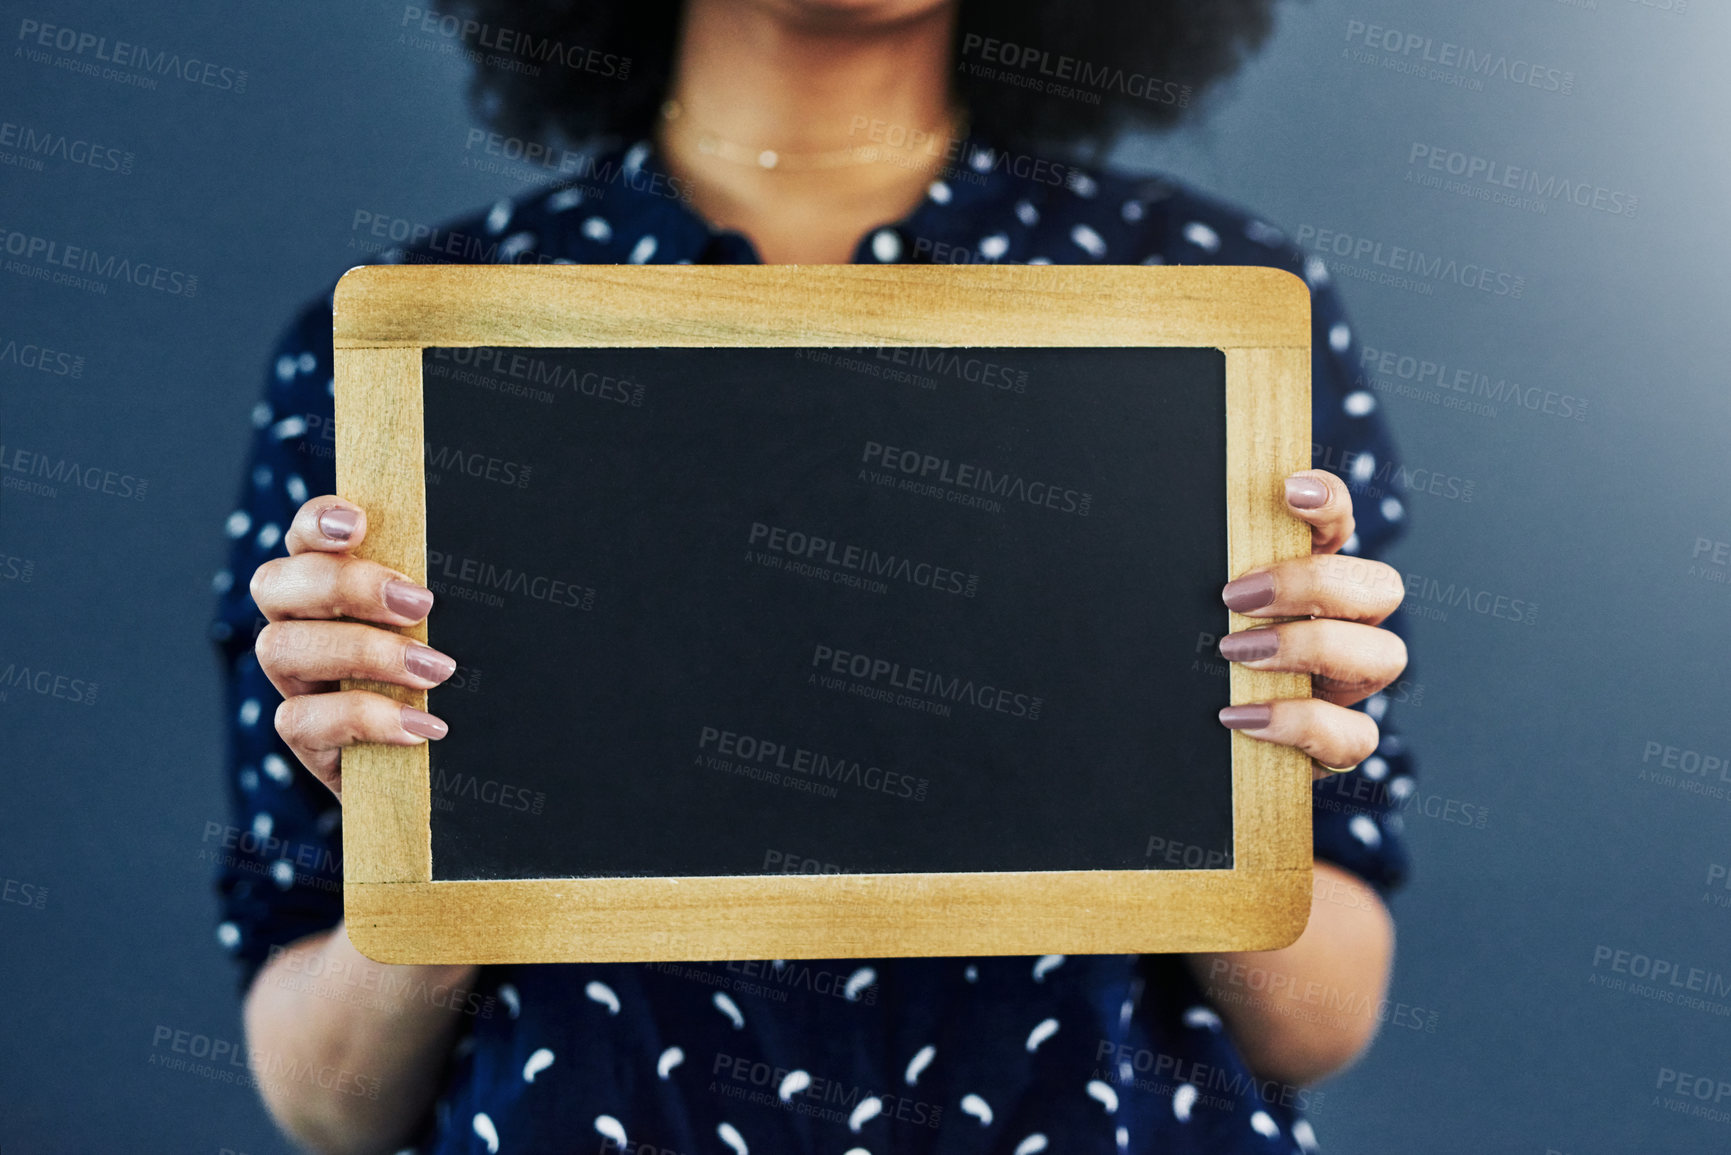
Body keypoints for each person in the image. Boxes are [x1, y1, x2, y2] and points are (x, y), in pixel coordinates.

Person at [209, 1, 1416, 1151]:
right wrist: (431, 827)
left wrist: (1236, 773)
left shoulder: (1209, 303)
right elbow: (329, 1103)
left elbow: (1317, 1016)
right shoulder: (412, 354)